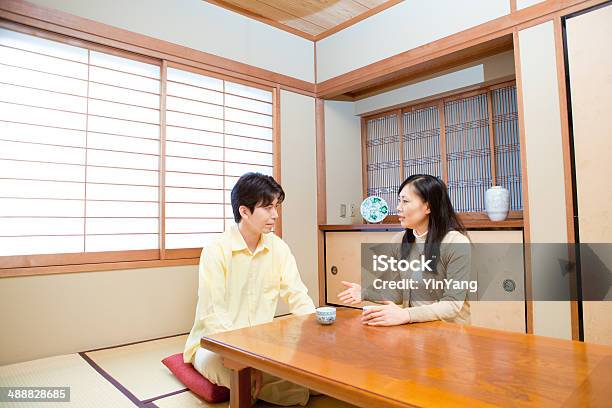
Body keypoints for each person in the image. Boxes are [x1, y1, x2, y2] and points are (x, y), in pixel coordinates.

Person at [183, 172, 316, 406]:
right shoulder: (216, 250)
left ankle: (290, 385)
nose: (275, 215)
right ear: (244, 211)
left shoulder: (279, 248)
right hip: (216, 345)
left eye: (276, 207)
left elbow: (297, 295)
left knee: (310, 365)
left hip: (264, 344)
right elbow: (213, 314)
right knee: (235, 373)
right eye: (267, 207)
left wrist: (316, 331)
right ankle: (297, 389)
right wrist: (244, 360)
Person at [338, 174, 471, 326]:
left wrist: (405, 314)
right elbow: (398, 292)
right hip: (413, 328)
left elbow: (452, 304)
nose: (398, 207)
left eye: (405, 201)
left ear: (428, 207)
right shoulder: (399, 241)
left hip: (449, 330)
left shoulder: (455, 243)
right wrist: (365, 293)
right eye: (399, 200)